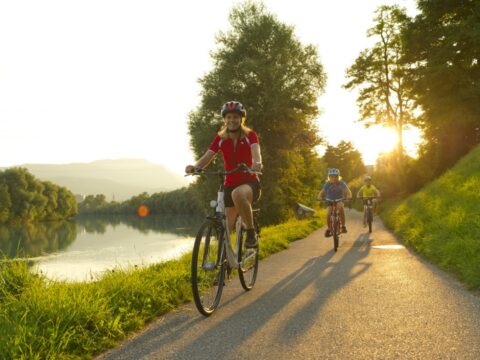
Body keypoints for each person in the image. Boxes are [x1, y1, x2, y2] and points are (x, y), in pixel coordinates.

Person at [185, 101, 262, 248]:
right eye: (228, 117)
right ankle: (224, 266)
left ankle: (250, 233)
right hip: (229, 184)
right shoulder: (220, 138)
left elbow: (255, 151)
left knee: (237, 194)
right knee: (225, 230)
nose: (231, 120)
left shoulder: (250, 135)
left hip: (250, 183)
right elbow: (208, 156)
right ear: (224, 119)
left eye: (235, 117)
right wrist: (195, 167)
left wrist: (257, 163)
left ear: (241, 119)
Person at [317, 168, 352, 237]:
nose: (333, 178)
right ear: (329, 177)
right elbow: (321, 192)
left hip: (339, 199)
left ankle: (343, 226)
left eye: (335, 176)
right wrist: (319, 197)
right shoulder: (327, 184)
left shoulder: (341, 183)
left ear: (338, 177)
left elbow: (348, 191)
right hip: (329, 200)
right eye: (331, 176)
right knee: (328, 213)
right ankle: (329, 229)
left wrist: (349, 196)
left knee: (340, 208)